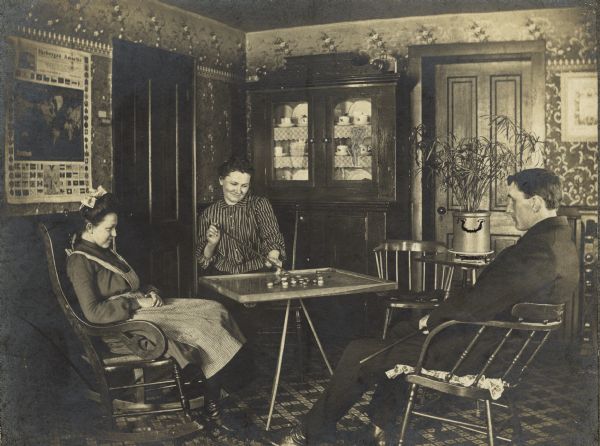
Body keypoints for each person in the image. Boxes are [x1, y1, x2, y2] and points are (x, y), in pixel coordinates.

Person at [279, 168, 579, 446]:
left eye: (513, 201)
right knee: (400, 330)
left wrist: (433, 318)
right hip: (494, 344)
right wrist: (434, 317)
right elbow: (490, 298)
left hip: (479, 352)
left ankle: (311, 431)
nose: (507, 208)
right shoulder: (558, 243)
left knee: (360, 352)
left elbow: (478, 306)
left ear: (536, 203)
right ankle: (379, 427)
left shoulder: (539, 253)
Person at [66, 187, 246, 426]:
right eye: (109, 229)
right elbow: (94, 312)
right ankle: (213, 407)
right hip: (125, 327)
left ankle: (210, 385)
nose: (115, 234)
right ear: (89, 228)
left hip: (143, 310)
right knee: (202, 329)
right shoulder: (80, 261)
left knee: (215, 309)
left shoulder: (107, 251)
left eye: (115, 227)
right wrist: (136, 302)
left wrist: (150, 291)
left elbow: (133, 283)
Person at [196, 156, 286, 338]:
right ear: (221, 180)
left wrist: (273, 256)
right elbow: (203, 259)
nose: (239, 191)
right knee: (219, 323)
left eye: (244, 185)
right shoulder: (209, 214)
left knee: (249, 326)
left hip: (256, 272)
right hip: (223, 277)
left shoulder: (260, 205)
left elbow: (272, 238)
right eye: (234, 184)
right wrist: (212, 244)